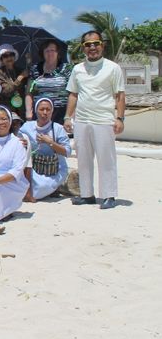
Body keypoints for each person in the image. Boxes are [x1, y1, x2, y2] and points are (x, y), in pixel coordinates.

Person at [64, 30, 126, 209]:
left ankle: (109, 195)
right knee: (83, 159)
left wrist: (120, 118)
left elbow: (120, 95)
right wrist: (68, 117)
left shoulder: (112, 68)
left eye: (96, 43)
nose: (92, 47)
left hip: (104, 120)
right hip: (82, 120)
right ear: (83, 48)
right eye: (88, 45)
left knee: (106, 159)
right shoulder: (77, 69)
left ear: (102, 45)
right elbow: (73, 94)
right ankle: (87, 195)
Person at [21, 97, 71, 200]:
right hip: (32, 169)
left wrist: (51, 143)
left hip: (54, 169)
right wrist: (23, 143)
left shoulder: (58, 128)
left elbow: (67, 152)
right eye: (42, 109)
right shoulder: (27, 127)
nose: (45, 113)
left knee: (42, 187)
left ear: (52, 112)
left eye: (48, 110)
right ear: (36, 111)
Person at [26, 39, 72, 124]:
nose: (50, 53)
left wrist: (69, 116)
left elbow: (72, 93)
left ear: (58, 53)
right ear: (42, 53)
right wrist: (28, 112)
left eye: (52, 50)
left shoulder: (66, 68)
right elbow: (29, 92)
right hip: (40, 113)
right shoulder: (35, 69)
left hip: (61, 113)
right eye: (47, 51)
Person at [0, 43, 29, 119]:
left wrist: (29, 63)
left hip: (20, 111)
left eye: (11, 54)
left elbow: (30, 86)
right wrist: (20, 78)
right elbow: (6, 91)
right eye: (5, 56)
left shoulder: (20, 70)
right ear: (1, 59)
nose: (9, 57)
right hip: (5, 111)